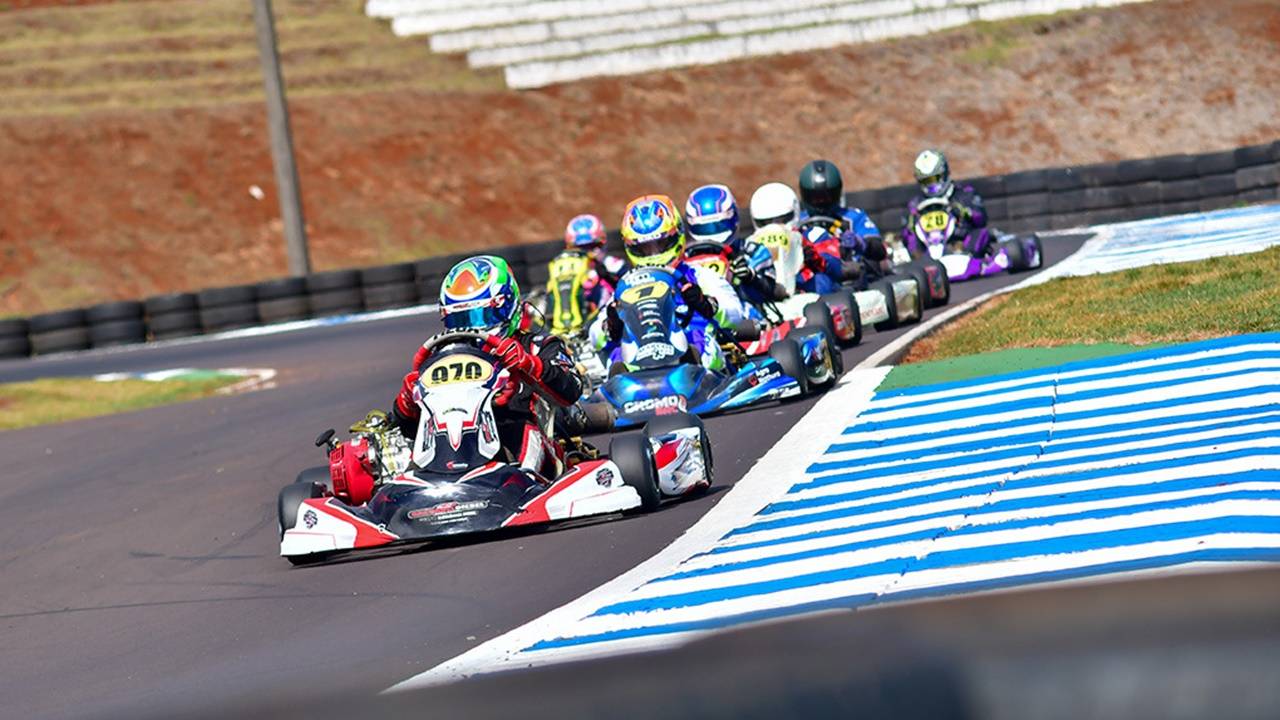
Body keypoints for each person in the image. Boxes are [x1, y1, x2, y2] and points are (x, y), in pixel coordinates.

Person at [390, 255, 583, 476]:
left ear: (507, 306)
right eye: (460, 320)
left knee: (521, 432)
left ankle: (526, 481)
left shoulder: (537, 346)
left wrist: (529, 366)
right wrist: (406, 404)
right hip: (455, 448)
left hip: (520, 443)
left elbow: (571, 389)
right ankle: (416, 488)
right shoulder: (441, 357)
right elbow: (407, 428)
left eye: (481, 316)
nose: (472, 327)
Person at [602, 194, 730, 371]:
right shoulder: (626, 285)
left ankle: (696, 379)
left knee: (698, 343)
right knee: (616, 357)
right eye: (644, 248)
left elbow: (735, 314)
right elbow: (596, 335)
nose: (653, 254)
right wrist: (611, 321)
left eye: (660, 244)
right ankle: (626, 390)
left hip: (691, 342)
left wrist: (704, 303)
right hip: (641, 351)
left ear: (676, 237)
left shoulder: (698, 274)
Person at [684, 184, 785, 311]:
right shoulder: (685, 261)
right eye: (704, 228)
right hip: (698, 323)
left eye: (719, 225)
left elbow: (776, 292)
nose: (712, 234)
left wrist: (751, 278)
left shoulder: (752, 252)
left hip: (749, 321)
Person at [798, 159, 886, 286]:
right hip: (813, 280)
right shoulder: (798, 223)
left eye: (827, 197)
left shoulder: (853, 217)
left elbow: (880, 250)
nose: (821, 202)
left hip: (852, 279)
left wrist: (860, 243)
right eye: (816, 198)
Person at [748, 182, 844, 294]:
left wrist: (816, 259)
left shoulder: (813, 236)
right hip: (768, 296)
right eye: (767, 222)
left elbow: (838, 269)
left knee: (822, 281)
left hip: (809, 297)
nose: (776, 226)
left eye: (782, 220)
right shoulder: (751, 245)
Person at [906, 148, 991, 257]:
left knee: (981, 232)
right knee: (909, 237)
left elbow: (981, 219)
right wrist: (911, 223)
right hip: (928, 248)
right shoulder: (916, 203)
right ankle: (918, 260)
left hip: (959, 243)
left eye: (934, 179)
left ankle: (967, 255)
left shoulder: (963, 194)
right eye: (926, 181)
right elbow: (906, 235)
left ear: (944, 174)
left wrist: (965, 212)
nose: (931, 185)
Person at [562, 213, 627, 308]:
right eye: (581, 249)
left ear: (602, 243)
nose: (588, 253)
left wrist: (607, 277)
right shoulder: (565, 271)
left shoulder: (615, 266)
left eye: (592, 246)